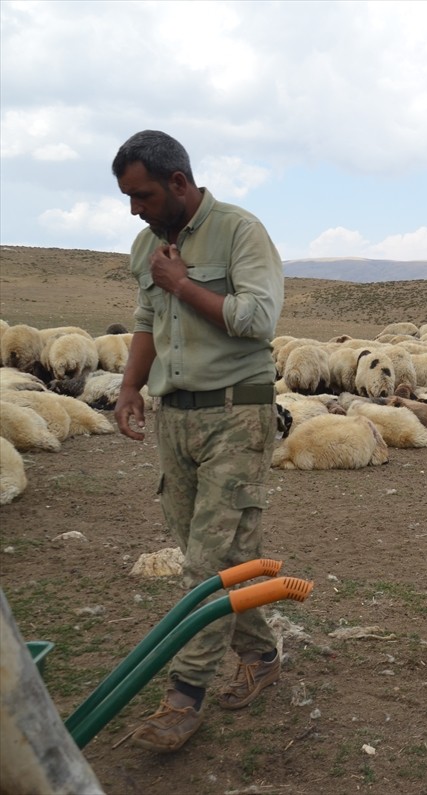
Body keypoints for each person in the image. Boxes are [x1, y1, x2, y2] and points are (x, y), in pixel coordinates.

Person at [111, 130, 285, 753]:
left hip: (237, 412)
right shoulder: (145, 245)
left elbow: (261, 321)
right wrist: (131, 388)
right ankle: (262, 651)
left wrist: (184, 284)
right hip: (175, 416)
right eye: (129, 198)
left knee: (203, 564)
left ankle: (184, 696)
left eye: (144, 195)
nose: (136, 209)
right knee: (214, 551)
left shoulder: (241, 232)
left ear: (179, 183)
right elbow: (145, 321)